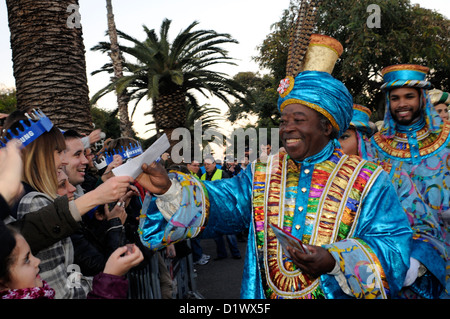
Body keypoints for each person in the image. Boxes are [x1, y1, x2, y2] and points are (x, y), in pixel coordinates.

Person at [136, 34, 412, 299]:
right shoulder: (263, 172)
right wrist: (169, 190)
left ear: (327, 127)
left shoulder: (369, 180)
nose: (287, 128)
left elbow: (392, 247)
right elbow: (223, 203)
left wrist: (334, 260)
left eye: (299, 119)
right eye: (283, 120)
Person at [3, 111, 133, 299]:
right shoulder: (36, 202)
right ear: (40, 156)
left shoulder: (25, 198)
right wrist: (108, 278)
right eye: (58, 152)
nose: (63, 160)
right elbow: (59, 291)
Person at [339, 104, 447, 298]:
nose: (336, 146)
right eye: (330, 138)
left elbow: (426, 230)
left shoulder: (391, 175)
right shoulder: (315, 182)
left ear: (361, 139)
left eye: (344, 137)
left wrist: (410, 265)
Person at [366, 64, 450, 298]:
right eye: (395, 98)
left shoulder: (448, 137)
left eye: (409, 96)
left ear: (422, 98)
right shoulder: (374, 148)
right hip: (405, 258)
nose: (401, 103)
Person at [0, 224, 143, 299]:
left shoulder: (44, 292)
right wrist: (111, 277)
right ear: (2, 283)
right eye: (26, 260)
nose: (37, 261)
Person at [201, 155, 241, 260]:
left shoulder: (222, 174)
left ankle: (235, 253)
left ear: (214, 164)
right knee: (216, 232)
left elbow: (229, 189)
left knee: (229, 231)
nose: (206, 166)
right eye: (205, 164)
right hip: (212, 209)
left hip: (224, 207)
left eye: (208, 164)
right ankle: (221, 254)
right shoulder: (202, 177)